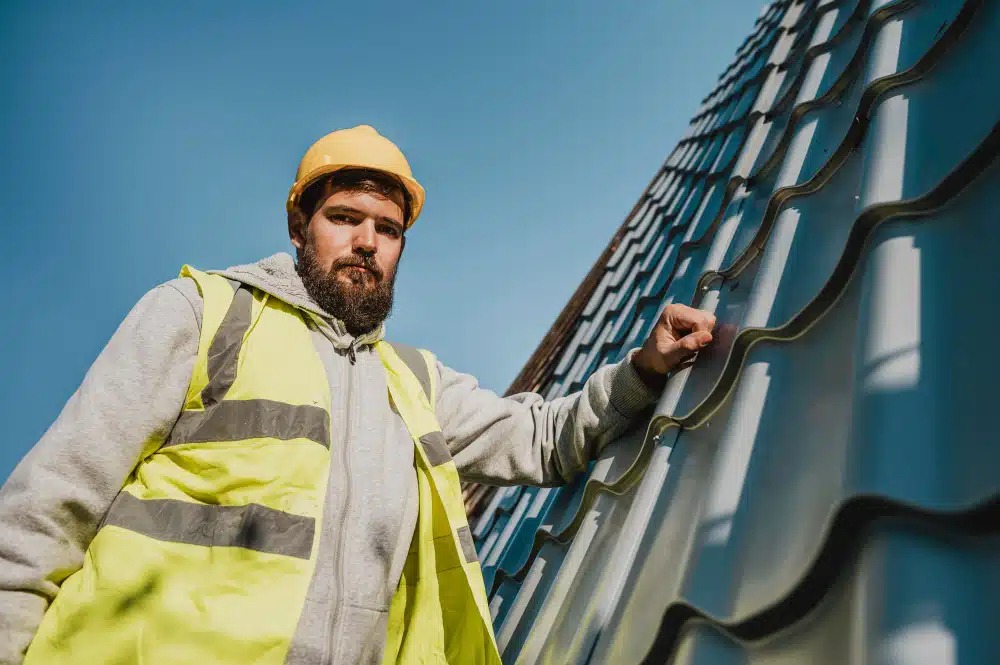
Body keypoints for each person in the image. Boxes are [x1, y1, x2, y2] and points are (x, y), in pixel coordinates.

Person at [0, 125, 716, 665]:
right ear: (299, 227)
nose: (367, 241)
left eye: (388, 229)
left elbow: (544, 438)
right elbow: (43, 516)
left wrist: (645, 367)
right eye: (345, 218)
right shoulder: (203, 314)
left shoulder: (413, 385)